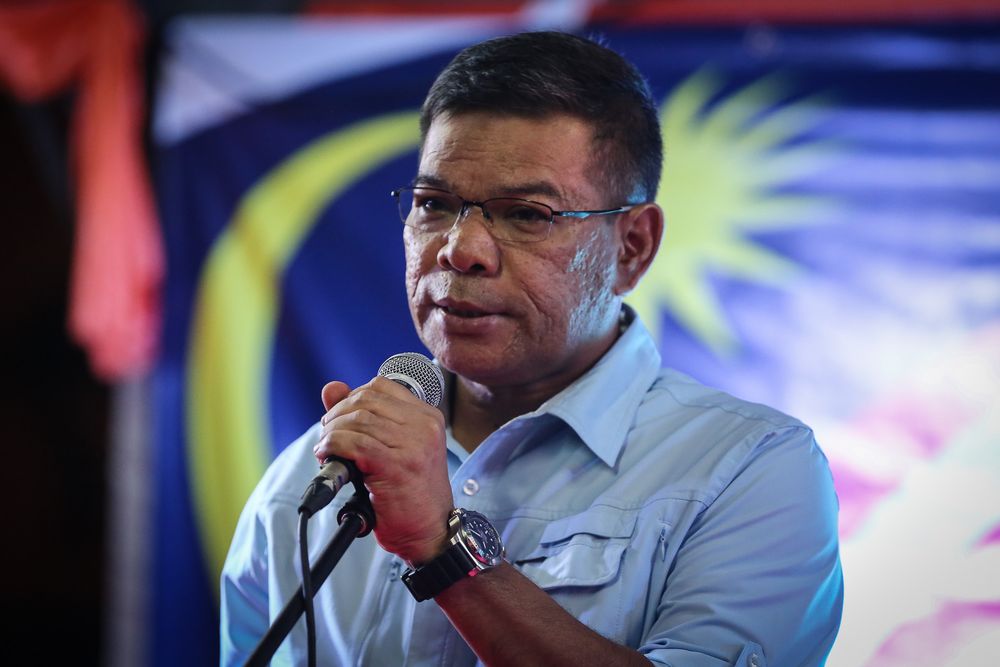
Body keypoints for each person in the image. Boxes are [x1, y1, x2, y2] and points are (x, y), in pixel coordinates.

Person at [220, 31, 843, 666]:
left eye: (526, 214)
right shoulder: (308, 482)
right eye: (434, 204)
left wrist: (445, 549)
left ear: (632, 247)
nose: (460, 250)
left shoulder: (748, 469)